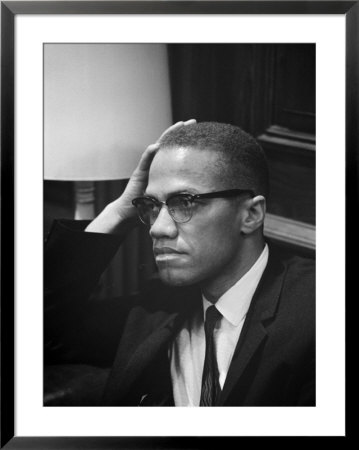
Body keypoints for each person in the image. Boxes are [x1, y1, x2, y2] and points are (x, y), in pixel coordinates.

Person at [44, 120, 315, 406]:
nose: (157, 229)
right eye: (150, 206)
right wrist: (119, 211)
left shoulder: (322, 313)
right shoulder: (155, 307)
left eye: (184, 202)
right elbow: (40, 337)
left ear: (250, 214)